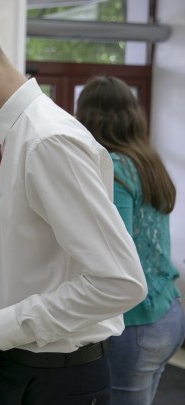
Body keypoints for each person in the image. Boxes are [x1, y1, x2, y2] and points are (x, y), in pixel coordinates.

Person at [0, 7, 147, 404]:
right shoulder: (15, 137)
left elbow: (119, 281)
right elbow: (44, 261)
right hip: (24, 365)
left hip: (59, 377)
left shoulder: (46, 142)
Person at [76, 76, 185, 405]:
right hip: (169, 310)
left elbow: (115, 251)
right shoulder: (148, 160)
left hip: (138, 322)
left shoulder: (117, 167)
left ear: (89, 116)